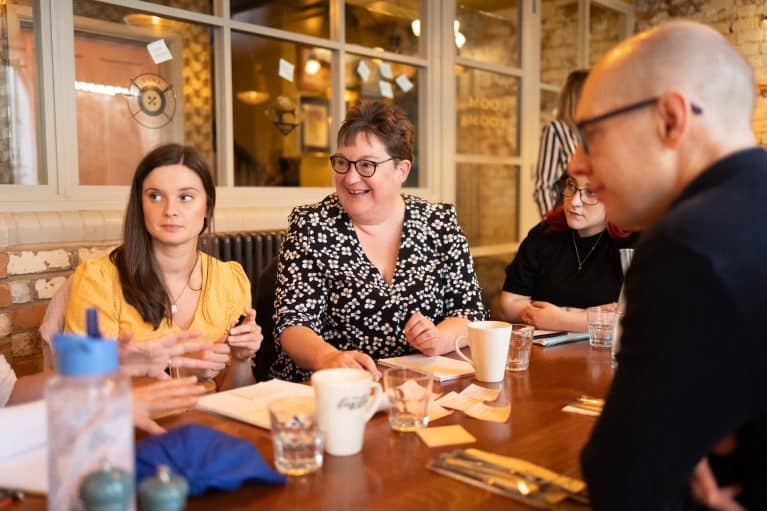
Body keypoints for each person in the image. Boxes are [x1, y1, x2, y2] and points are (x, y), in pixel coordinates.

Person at [571, 20, 767, 510]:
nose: (576, 164)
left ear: (670, 120)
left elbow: (622, 480)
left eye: (590, 134)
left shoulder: (686, 245)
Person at [271, 101, 487, 382]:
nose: (350, 178)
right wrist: (328, 357)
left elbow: (469, 310)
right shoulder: (312, 226)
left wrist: (440, 339)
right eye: (342, 163)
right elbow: (292, 324)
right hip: (333, 390)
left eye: (366, 165)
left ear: (402, 170)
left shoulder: (439, 224)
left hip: (420, 386)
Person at [64, 143, 262, 390]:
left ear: (207, 208)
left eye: (185, 197)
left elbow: (235, 395)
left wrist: (241, 360)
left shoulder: (230, 280)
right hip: (134, 426)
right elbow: (83, 389)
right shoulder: (98, 280)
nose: (170, 210)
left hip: (210, 422)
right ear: (140, 205)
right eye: (155, 196)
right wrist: (178, 369)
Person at [500, 173, 635, 332]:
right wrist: (592, 316)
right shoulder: (545, 233)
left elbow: (640, 319)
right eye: (571, 185)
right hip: (545, 355)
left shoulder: (634, 242)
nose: (575, 201)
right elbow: (507, 306)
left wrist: (561, 319)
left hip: (607, 354)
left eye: (590, 192)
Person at [533, 69, 589, 217]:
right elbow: (543, 187)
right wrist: (552, 225)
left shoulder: (592, 133)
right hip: (566, 220)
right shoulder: (556, 130)